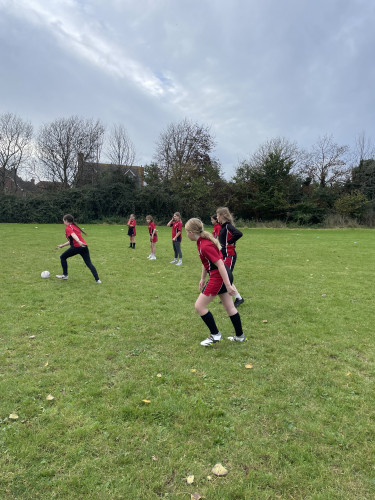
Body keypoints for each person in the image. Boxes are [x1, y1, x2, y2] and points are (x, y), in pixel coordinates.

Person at [185, 218, 246, 345]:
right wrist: (202, 278)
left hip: (219, 277)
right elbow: (205, 263)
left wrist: (229, 286)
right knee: (230, 307)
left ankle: (215, 335)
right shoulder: (201, 242)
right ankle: (240, 336)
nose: (186, 234)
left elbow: (220, 265)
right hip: (221, 275)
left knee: (199, 306)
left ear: (191, 232)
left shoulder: (205, 245)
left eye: (186, 232)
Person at [56, 214, 101, 283]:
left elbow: (73, 235)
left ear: (66, 220)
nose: (63, 222)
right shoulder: (75, 226)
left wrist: (78, 241)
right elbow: (71, 240)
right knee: (89, 263)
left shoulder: (68, 228)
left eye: (63, 221)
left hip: (77, 247)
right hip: (84, 246)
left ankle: (65, 275)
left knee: (62, 257)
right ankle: (97, 280)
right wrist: (63, 245)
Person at [217, 207, 244, 307]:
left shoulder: (228, 226)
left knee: (227, 276)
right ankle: (227, 298)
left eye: (217, 215)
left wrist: (230, 242)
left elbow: (239, 233)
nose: (216, 217)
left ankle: (239, 298)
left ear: (220, 216)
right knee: (224, 276)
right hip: (224, 254)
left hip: (229, 255)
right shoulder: (223, 226)